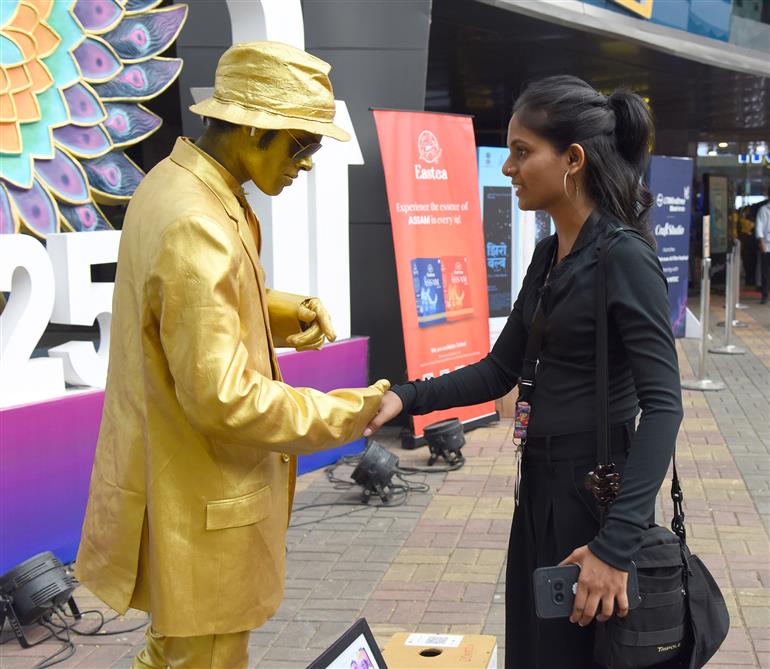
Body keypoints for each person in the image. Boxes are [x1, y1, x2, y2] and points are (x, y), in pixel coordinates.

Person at [75, 41, 389, 669]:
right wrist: (344, 414)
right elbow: (223, 398)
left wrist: (279, 311)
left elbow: (183, 306)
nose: (307, 163)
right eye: (301, 144)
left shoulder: (175, 184)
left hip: (174, 488)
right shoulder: (200, 221)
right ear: (252, 127)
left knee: (170, 654)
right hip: (202, 508)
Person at [365, 75, 683, 668]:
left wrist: (615, 548)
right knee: (536, 652)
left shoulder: (624, 257)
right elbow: (498, 370)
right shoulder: (549, 254)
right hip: (538, 488)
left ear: (573, 159)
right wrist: (404, 398)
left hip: (596, 499)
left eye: (521, 151)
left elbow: (664, 405)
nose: (509, 167)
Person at [755, 188, 770, 304]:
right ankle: (765, 295)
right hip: (767, 245)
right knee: (766, 272)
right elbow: (759, 227)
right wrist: (761, 242)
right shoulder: (764, 210)